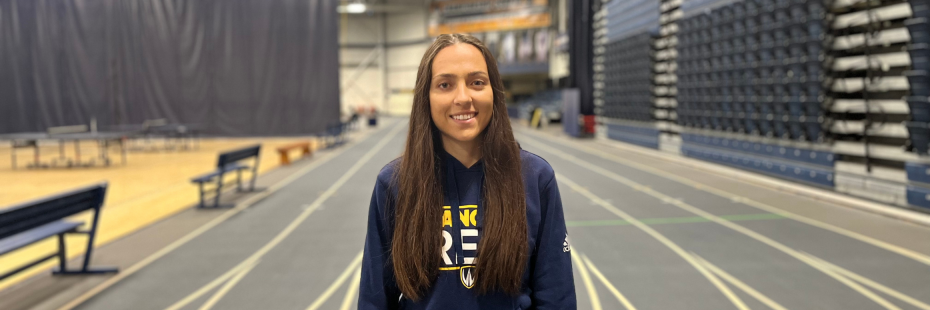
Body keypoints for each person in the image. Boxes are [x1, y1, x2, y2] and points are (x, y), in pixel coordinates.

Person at [358, 33, 576, 309]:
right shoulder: (394, 184)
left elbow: (556, 298)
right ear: (426, 97)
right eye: (445, 84)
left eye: (477, 82)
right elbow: (374, 300)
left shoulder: (535, 178)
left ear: (494, 92)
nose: (463, 97)